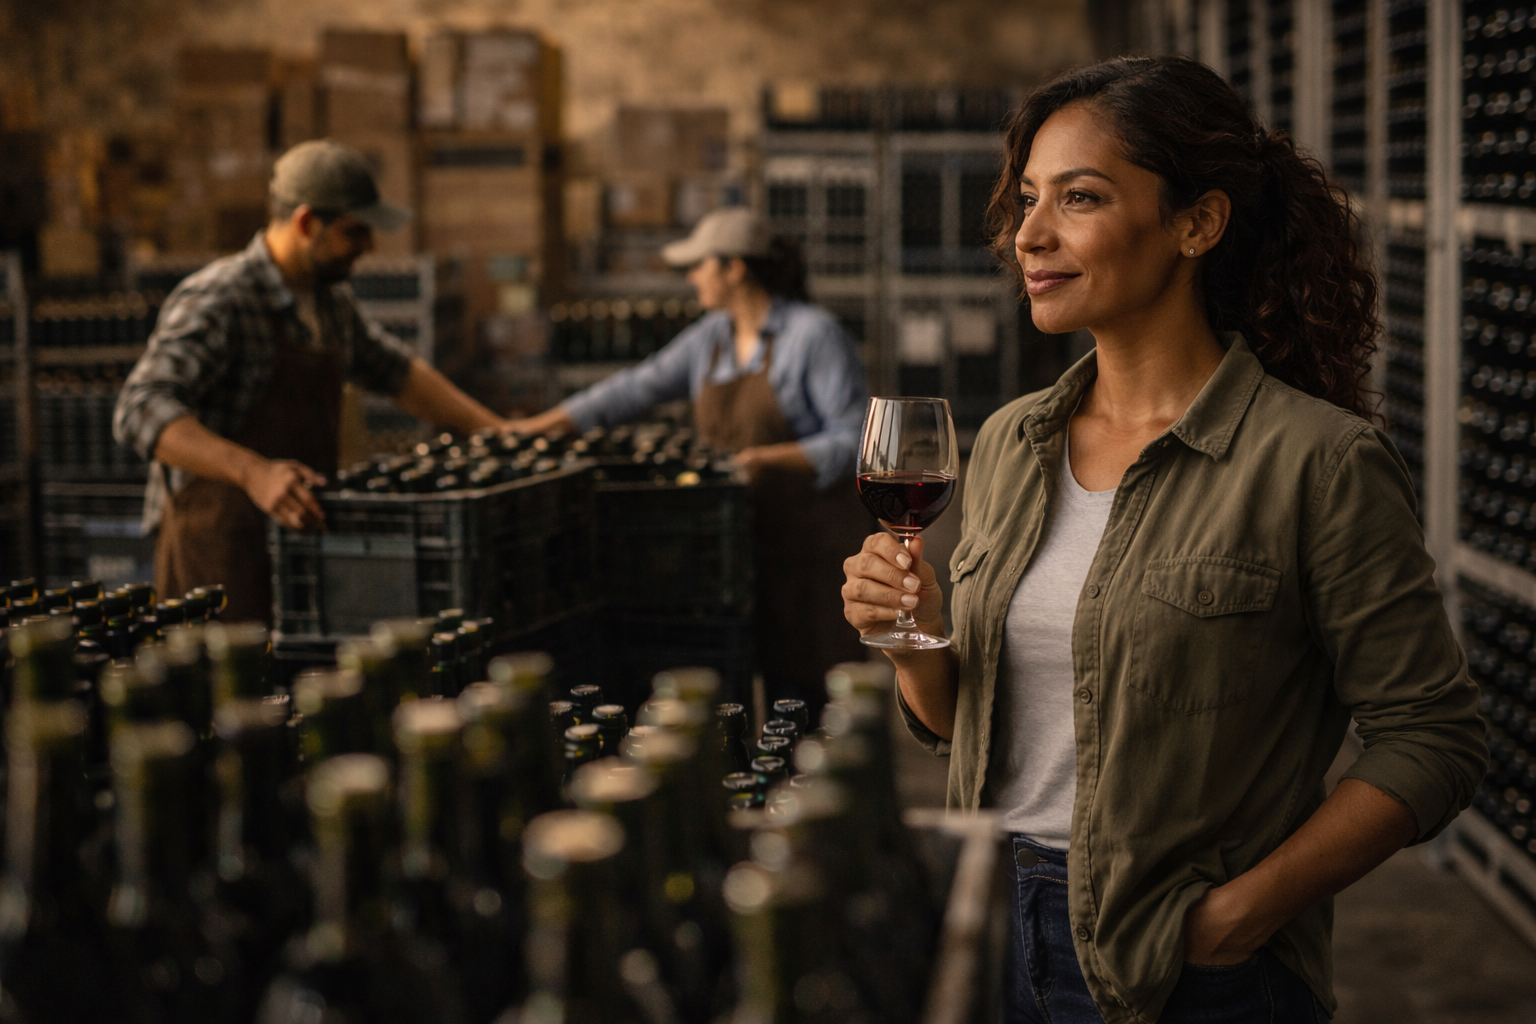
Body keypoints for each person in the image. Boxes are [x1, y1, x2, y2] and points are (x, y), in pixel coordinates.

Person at [841, 56, 1487, 1024]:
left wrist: (1236, 917)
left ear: (1197, 223)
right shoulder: (1013, 441)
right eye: (1028, 199)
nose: (1029, 235)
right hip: (993, 927)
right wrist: (913, 638)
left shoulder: (1316, 461)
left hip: (1190, 971)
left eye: (1080, 197)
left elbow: (1435, 737)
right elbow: (957, 726)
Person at [115, 140, 512, 625]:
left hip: (298, 550)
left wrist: (494, 429)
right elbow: (140, 408)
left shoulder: (328, 301)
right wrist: (254, 472)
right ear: (306, 223)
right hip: (218, 561)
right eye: (355, 231)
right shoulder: (221, 298)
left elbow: (397, 373)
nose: (368, 247)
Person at [507, 207, 870, 709]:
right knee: (745, 678)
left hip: (809, 548)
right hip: (740, 542)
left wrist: (765, 459)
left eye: (700, 264)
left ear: (734, 268)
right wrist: (535, 429)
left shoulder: (813, 336)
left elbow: (855, 442)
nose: (692, 276)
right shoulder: (713, 336)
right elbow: (634, 388)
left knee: (805, 687)